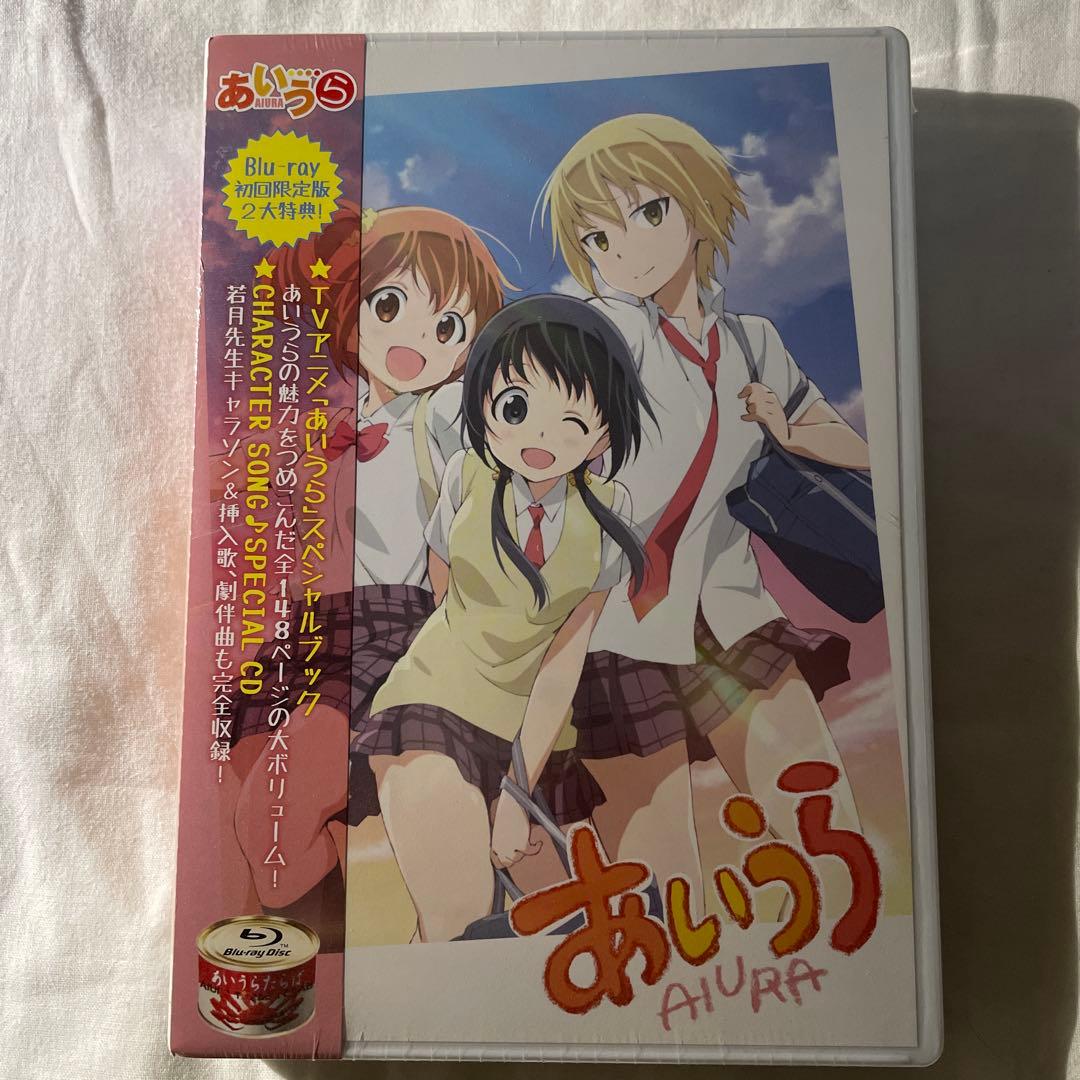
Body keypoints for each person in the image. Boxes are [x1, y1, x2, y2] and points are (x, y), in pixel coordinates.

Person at [540, 114, 868, 910]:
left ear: (698, 210)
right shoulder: (607, 334)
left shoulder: (752, 342)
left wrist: (787, 430)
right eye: (598, 239)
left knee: (827, 831)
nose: (625, 252)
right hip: (616, 631)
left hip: (732, 612)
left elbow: (851, 446)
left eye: (647, 213)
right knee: (653, 887)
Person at [229, 204, 509, 939]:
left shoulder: (444, 417)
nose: (417, 340)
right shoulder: (331, 416)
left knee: (286, 805)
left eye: (449, 327)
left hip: (396, 629)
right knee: (271, 837)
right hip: (311, 634)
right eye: (389, 306)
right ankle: (329, 966)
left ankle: (430, 937)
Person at [354, 294, 655, 943]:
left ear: (604, 433)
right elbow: (443, 582)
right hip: (431, 701)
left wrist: (516, 791)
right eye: (517, 408)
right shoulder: (467, 475)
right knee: (459, 916)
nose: (540, 438)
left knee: (552, 930)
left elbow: (563, 662)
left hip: (527, 733)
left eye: (572, 420)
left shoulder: (611, 512)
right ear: (484, 402)